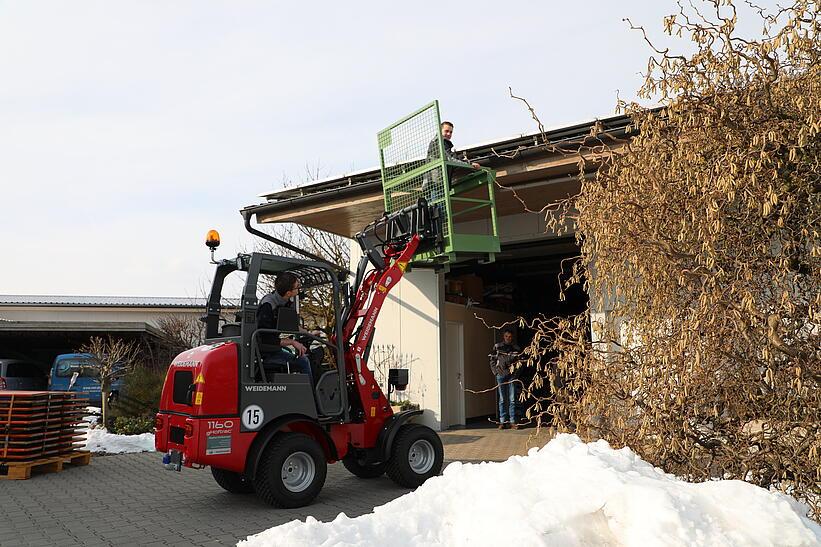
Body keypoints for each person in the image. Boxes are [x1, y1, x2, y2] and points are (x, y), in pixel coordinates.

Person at [257, 272, 313, 384]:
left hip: (271, 349)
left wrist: (309, 333)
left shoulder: (285, 303)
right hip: (263, 353)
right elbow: (264, 338)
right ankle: (312, 398)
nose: (299, 290)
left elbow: (292, 326)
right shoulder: (268, 305)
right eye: (297, 287)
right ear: (289, 293)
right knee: (303, 361)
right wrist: (292, 342)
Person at [422, 121, 481, 201]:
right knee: (437, 210)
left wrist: (461, 161)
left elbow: (450, 157)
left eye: (451, 132)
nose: (449, 134)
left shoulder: (440, 143)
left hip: (435, 183)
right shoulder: (438, 142)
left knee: (437, 210)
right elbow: (450, 158)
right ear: (439, 130)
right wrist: (469, 164)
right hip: (435, 183)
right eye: (446, 131)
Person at [489, 328, 521, 429]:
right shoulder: (498, 347)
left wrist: (516, 374)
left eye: (510, 336)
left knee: (512, 399)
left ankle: (512, 421)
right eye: (506, 336)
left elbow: (520, 363)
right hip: (501, 375)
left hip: (512, 376)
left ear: (512, 337)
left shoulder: (516, 348)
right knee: (502, 399)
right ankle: (502, 421)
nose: (508, 338)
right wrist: (495, 372)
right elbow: (492, 360)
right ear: (504, 336)